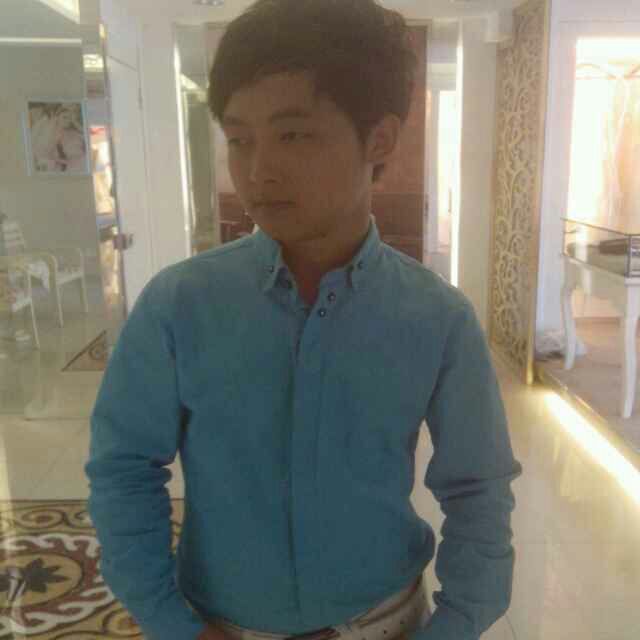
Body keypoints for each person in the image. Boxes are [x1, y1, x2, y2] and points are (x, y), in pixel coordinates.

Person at [84, 1, 523, 640]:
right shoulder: (179, 304)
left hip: (388, 623)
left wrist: (453, 627)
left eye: (293, 135)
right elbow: (124, 468)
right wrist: (171, 623)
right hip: (215, 626)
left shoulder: (437, 318)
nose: (257, 171)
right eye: (239, 139)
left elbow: (479, 490)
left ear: (380, 139)